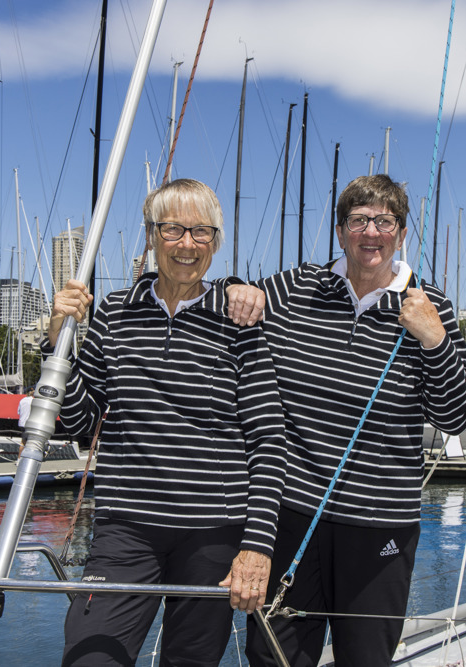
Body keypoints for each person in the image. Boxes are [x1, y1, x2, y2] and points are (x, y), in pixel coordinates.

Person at [228, 174, 466, 667]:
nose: (372, 233)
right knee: (273, 658)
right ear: (341, 231)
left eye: (384, 221)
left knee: (365, 660)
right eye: (360, 220)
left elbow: (457, 416)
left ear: (401, 233)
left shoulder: (432, 307)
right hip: (294, 514)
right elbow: (225, 307)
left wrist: (435, 340)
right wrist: (238, 289)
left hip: (380, 522)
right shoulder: (294, 289)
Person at [47, 179, 286, 666]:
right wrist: (60, 347)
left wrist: (256, 549)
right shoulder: (114, 315)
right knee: (90, 657)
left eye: (201, 232)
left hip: (213, 535)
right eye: (173, 229)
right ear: (151, 235)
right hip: (125, 529)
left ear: (216, 242)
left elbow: (267, 439)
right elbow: (77, 420)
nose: (186, 244)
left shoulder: (239, 322)